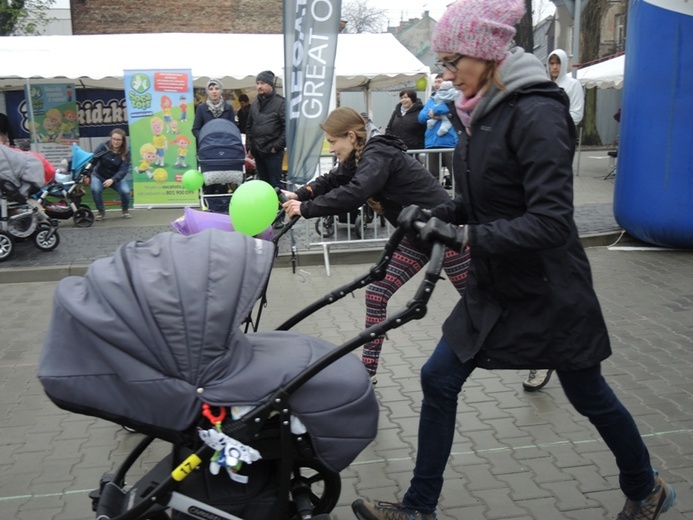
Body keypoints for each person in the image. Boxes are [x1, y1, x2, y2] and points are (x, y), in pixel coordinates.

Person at [351, 1, 677, 519]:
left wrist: (461, 234)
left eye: (453, 59)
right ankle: (418, 508)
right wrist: (435, 213)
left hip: (550, 288)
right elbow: (487, 198)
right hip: (497, 284)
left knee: (588, 393)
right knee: (438, 379)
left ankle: (647, 489)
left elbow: (550, 221)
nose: (447, 73)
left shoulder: (538, 113)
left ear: (486, 54)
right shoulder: (481, 113)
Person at [281, 107, 470, 384]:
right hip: (416, 235)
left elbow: (355, 193)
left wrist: (306, 208)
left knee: (478, 300)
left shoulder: (378, 152)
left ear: (350, 136)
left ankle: (537, 352)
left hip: (444, 234)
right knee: (377, 293)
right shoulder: (360, 154)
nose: (331, 148)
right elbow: (333, 179)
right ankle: (368, 372)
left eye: (333, 142)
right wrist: (299, 194)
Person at [523, 48, 586, 391]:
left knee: (589, 393)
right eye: (550, 62)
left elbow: (552, 216)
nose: (553, 67)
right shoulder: (511, 113)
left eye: (557, 62)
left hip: (545, 232)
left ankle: (548, 357)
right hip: (526, 228)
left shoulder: (556, 104)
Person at [246, 70, 286, 197]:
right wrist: (249, 146)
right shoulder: (254, 105)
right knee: (263, 186)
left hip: (272, 152)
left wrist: (276, 146)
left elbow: (288, 129)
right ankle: (267, 214)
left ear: (270, 84)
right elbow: (249, 126)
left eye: (262, 83)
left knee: (276, 186)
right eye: (257, 83)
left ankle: (280, 214)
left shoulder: (281, 103)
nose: (259, 86)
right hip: (258, 152)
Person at [418, 74, 459, 183]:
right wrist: (432, 114)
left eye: (439, 81)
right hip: (432, 142)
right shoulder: (431, 99)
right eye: (435, 82)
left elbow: (452, 109)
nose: (436, 84)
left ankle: (459, 199)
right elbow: (421, 117)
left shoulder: (454, 96)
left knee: (455, 175)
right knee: (432, 177)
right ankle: (435, 200)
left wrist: (436, 113)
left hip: (449, 142)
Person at [91, 128, 132, 220]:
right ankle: (101, 211)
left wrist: (113, 179)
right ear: (110, 138)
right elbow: (93, 160)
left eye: (118, 140)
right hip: (100, 176)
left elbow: (123, 170)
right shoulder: (103, 147)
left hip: (116, 178)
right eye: (114, 139)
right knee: (95, 189)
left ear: (123, 141)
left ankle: (125, 210)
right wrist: (86, 174)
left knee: (125, 191)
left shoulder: (126, 152)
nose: (116, 142)